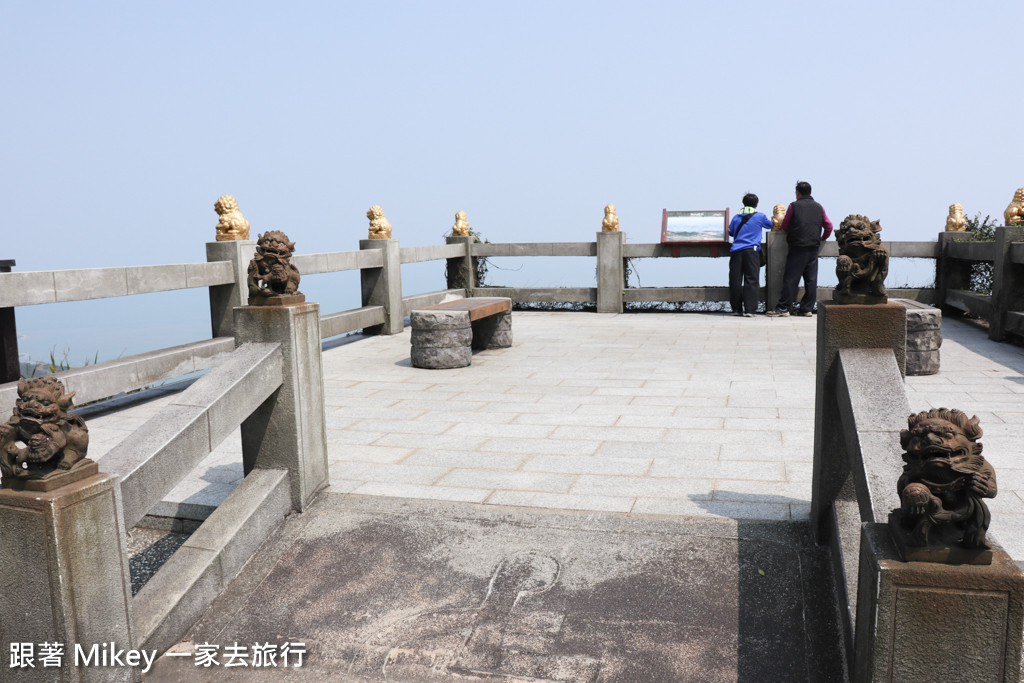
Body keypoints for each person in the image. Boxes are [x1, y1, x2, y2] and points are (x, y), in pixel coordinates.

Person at [768, 181, 834, 317]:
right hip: (813, 247)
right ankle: (807, 308)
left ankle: (784, 308)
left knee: (791, 278)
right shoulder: (819, 207)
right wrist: (822, 238)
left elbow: (785, 225)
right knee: (811, 280)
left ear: (797, 193)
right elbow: (829, 226)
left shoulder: (794, 206)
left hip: (798, 246)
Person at [727, 193, 772, 316]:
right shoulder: (760, 216)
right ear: (756, 204)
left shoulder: (736, 218)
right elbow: (771, 225)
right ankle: (750, 310)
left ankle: (736, 309)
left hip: (736, 251)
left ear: (743, 203)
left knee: (735, 280)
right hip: (751, 251)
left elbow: (730, 232)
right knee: (751, 279)